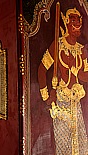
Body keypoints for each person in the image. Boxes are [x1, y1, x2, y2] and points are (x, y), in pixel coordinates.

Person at [38, 8, 88, 155]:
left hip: (77, 104)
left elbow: (86, 76)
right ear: (66, 23)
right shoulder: (58, 46)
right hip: (61, 103)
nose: (77, 24)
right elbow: (42, 69)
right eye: (73, 21)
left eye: (79, 21)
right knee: (64, 145)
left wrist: (76, 71)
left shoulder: (81, 50)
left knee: (80, 145)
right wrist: (46, 96)